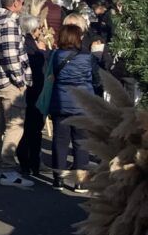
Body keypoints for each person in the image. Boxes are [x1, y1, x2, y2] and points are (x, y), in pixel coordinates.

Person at [0, 0, 34, 188]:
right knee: (15, 126)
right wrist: (20, 81)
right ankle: (8, 171)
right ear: (17, 3)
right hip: (9, 83)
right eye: (22, 3)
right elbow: (11, 57)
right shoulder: (9, 23)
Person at [49, 24, 97, 193]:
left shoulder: (54, 55)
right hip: (82, 104)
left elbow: (49, 75)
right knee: (81, 143)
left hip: (60, 103)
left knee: (60, 141)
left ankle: (58, 179)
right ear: (78, 38)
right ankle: (80, 181)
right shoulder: (88, 58)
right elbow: (97, 79)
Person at [16, 14, 47, 178]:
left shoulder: (20, 44)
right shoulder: (34, 50)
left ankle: (25, 162)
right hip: (34, 92)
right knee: (33, 130)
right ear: (34, 30)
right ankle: (32, 163)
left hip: (23, 92)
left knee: (24, 128)